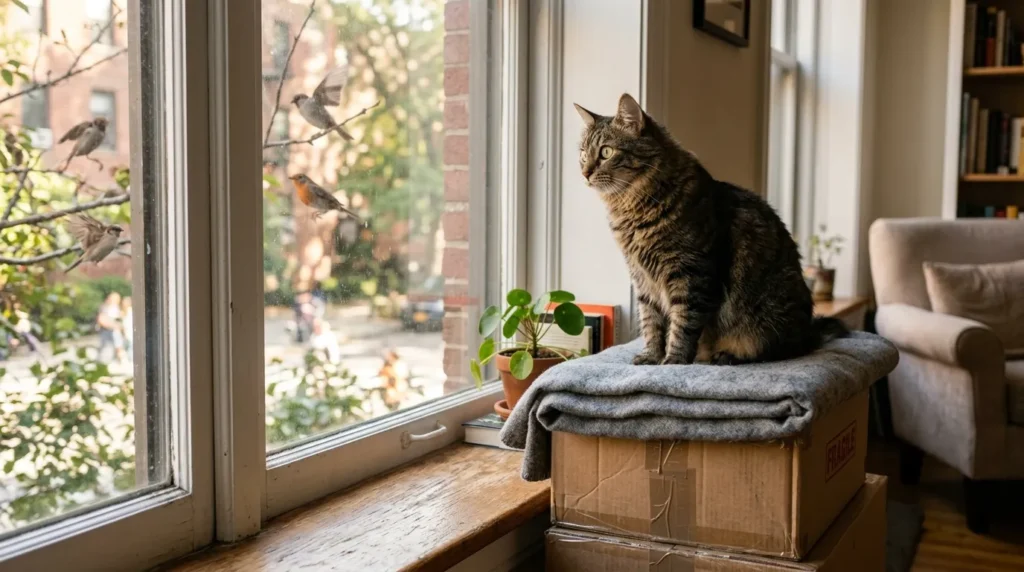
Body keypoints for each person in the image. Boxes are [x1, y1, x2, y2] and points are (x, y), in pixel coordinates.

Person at [96, 292, 124, 363]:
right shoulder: (105, 307)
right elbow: (101, 319)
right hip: (107, 331)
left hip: (115, 331)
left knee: (117, 346)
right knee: (107, 348)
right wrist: (113, 325)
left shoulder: (116, 307)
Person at [120, 296, 133, 360]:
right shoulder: (122, 311)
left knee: (130, 346)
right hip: (126, 331)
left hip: (129, 331)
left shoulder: (130, 310)